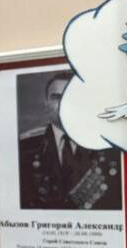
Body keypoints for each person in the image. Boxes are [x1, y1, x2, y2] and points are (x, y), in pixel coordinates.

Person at [20, 72, 122, 210]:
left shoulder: (109, 145)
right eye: (57, 97)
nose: (63, 104)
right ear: (46, 102)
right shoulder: (25, 147)